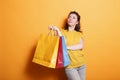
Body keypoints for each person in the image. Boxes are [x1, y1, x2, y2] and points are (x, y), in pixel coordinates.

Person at [48, 11, 86, 80]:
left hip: (81, 64)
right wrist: (56, 30)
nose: (70, 19)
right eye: (69, 17)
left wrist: (66, 47)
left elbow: (81, 45)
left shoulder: (79, 34)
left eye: (73, 18)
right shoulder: (61, 31)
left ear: (77, 22)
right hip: (70, 66)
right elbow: (62, 43)